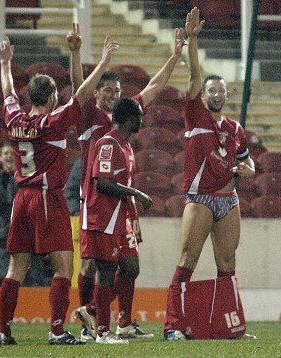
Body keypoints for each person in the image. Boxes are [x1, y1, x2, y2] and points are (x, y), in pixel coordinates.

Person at [0, 30, 119, 346]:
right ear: (51, 98)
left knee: (15, 268)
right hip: (47, 197)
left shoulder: (14, 119)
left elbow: (7, 90)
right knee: (64, 265)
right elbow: (81, 94)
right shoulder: (52, 122)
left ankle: (4, 331)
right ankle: (56, 330)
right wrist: (102, 59)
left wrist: (5, 63)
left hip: (21, 198)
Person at [71, 26, 186, 341]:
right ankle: (90, 323)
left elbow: (155, 85)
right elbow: (77, 89)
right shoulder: (88, 117)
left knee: (125, 265)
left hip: (122, 206)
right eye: (106, 89)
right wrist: (78, 55)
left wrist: (175, 56)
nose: (112, 94)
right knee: (91, 266)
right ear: (97, 92)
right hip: (94, 200)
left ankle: (117, 321)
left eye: (116, 90)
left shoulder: (125, 116)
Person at [163, 8, 256, 341]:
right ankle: (173, 326)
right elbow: (192, 78)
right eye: (211, 91)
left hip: (228, 199)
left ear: (227, 96)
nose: (216, 94)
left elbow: (248, 162)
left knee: (227, 262)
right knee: (188, 258)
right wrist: (193, 41)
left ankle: (229, 327)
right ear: (202, 96)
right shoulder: (195, 115)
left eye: (221, 91)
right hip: (200, 199)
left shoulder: (235, 129)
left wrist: (249, 169)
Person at [80, 97, 153, 344]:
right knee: (107, 271)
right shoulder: (108, 144)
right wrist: (137, 194)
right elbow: (103, 183)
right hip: (104, 218)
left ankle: (98, 313)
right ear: (131, 118)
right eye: (140, 115)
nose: (142, 119)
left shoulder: (126, 146)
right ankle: (102, 332)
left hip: (121, 217)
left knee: (131, 268)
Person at [0, 141, 44, 287]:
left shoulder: (27, 177)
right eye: (6, 153)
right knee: (7, 275)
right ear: (0, 158)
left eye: (12, 153)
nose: (9, 156)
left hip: (28, 233)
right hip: (4, 232)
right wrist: (6, 178)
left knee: (34, 277)